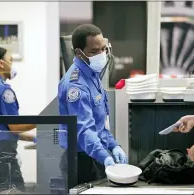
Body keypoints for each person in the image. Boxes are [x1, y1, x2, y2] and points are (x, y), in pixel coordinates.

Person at [58, 24, 127, 186]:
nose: (101, 55)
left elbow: (101, 124)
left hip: (95, 155)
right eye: (94, 51)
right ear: (78, 53)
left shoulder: (93, 75)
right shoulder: (76, 85)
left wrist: (113, 145)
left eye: (103, 49)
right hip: (81, 161)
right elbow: (85, 129)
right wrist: (105, 156)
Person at [0, 46, 37, 193]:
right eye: (10, 60)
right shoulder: (3, 90)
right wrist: (43, 120)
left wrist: (35, 138)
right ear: (1, 64)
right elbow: (15, 127)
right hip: (2, 159)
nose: (12, 65)